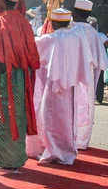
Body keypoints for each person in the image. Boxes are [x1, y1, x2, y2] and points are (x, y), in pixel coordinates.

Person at [0, 0, 40, 173]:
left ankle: (4, 161)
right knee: (19, 114)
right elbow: (33, 55)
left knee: (3, 115)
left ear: (2, 1)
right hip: (21, 78)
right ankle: (17, 158)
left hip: (2, 77)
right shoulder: (24, 22)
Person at [26, 8, 92, 165]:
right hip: (71, 87)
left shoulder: (51, 38)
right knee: (67, 118)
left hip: (53, 88)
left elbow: (33, 50)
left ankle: (51, 149)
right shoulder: (76, 38)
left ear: (54, 22)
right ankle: (66, 150)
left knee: (50, 119)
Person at [70, 0, 108, 150]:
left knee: (72, 105)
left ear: (75, 13)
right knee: (85, 105)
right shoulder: (93, 33)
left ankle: (70, 138)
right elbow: (101, 61)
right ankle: (82, 141)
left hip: (72, 76)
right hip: (88, 77)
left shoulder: (71, 30)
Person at [87, 16, 108, 104]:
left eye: (95, 26)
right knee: (89, 80)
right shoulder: (86, 36)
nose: (94, 27)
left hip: (99, 61)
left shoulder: (101, 36)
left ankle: (98, 98)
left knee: (99, 80)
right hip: (89, 62)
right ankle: (89, 98)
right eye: (92, 26)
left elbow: (105, 45)